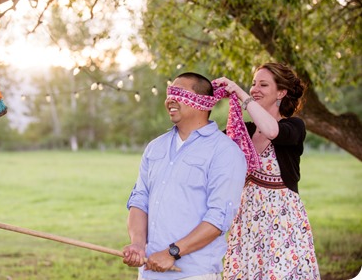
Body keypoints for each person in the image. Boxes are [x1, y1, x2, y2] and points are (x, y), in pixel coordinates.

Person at [122, 72, 248, 280]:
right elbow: (139, 201)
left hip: (193, 274)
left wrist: (173, 252)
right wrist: (137, 243)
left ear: (203, 102)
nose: (169, 99)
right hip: (149, 273)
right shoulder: (155, 147)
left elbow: (218, 218)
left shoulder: (225, 152)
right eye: (169, 92)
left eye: (178, 93)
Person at [213, 63, 321, 279]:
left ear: (281, 92)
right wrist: (207, 95)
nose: (255, 89)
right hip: (247, 224)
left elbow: (273, 130)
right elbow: (207, 140)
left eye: (263, 84)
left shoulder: (294, 127)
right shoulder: (245, 131)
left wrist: (241, 93)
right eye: (253, 84)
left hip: (282, 225)